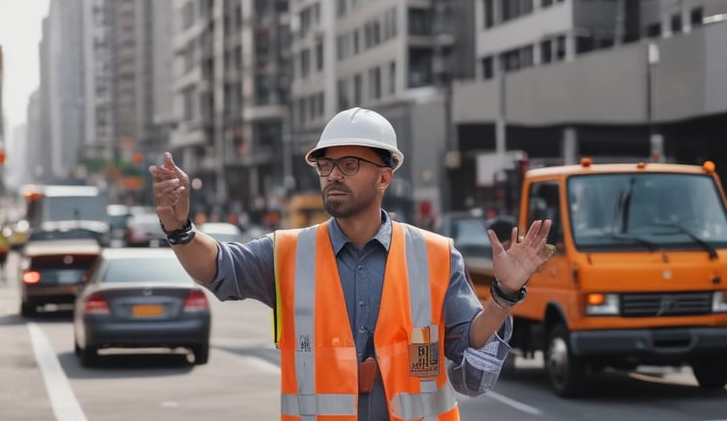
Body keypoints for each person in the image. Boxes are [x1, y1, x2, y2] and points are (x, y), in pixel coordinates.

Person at [150, 107, 553, 420]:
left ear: (384, 177)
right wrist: (179, 229)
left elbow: (472, 376)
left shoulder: (435, 256)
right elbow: (217, 267)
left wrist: (502, 297)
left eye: (349, 165)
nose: (332, 176)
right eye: (326, 165)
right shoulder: (287, 253)